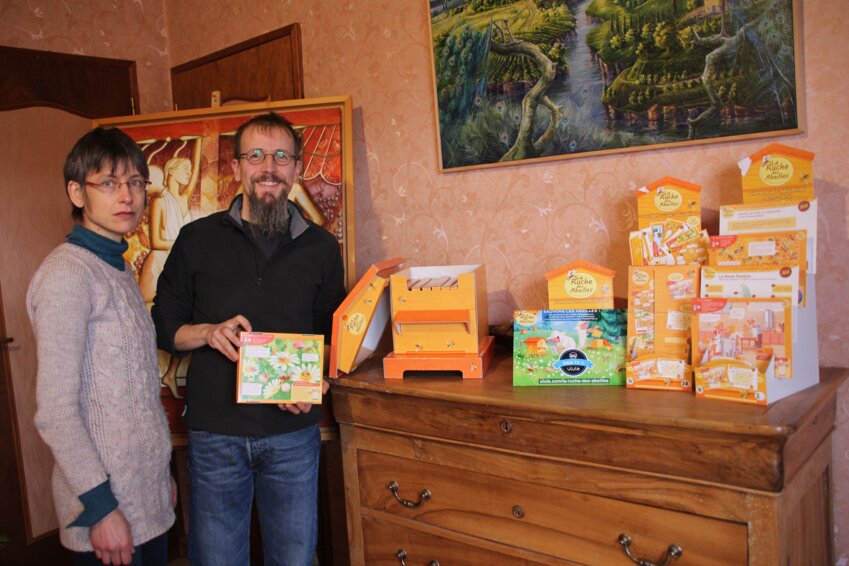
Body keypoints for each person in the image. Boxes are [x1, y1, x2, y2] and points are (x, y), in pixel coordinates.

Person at [151, 112, 346, 566]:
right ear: (236, 167)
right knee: (216, 559)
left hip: (293, 434)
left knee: (295, 559)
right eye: (255, 154)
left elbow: (331, 335)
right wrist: (207, 332)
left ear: (296, 169)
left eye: (281, 156)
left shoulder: (321, 247)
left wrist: (319, 381)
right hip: (215, 434)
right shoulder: (195, 239)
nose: (268, 167)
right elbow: (163, 324)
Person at [27, 128, 176, 566]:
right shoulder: (68, 275)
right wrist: (101, 507)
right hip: (104, 513)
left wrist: (158, 476)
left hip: (144, 502)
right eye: (108, 183)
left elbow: (135, 394)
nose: (126, 196)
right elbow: (55, 412)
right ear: (77, 193)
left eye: (134, 182)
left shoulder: (117, 267)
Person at [139, 147, 201, 398]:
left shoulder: (182, 200)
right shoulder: (159, 201)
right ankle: (150, 381)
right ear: (171, 172)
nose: (188, 174)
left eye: (189, 169)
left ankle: (171, 374)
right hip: (158, 265)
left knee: (187, 323)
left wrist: (198, 147)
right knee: (155, 323)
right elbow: (155, 240)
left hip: (176, 266)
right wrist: (184, 244)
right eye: (183, 169)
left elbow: (196, 174)